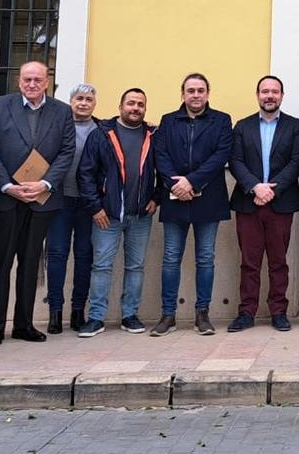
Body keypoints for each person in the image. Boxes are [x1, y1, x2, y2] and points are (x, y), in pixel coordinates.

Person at [0, 61, 76, 346]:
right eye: (26, 79)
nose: (32, 84)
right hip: (5, 198)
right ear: (19, 81)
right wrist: (8, 186)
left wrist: (44, 183)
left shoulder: (61, 111)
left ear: (47, 82)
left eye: (37, 79)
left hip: (41, 198)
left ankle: (24, 324)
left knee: (31, 262)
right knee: (1, 263)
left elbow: (67, 151)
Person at [151, 73, 233, 336]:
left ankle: (202, 313)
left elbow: (220, 155)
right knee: (171, 258)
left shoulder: (221, 120)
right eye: (190, 90)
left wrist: (192, 182)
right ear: (182, 94)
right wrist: (177, 184)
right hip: (174, 196)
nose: (195, 95)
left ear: (208, 93)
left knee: (205, 258)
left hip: (208, 198)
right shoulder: (168, 121)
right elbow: (160, 155)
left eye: (200, 90)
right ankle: (168, 315)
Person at [77, 88, 160, 337]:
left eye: (140, 104)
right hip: (107, 215)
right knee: (101, 266)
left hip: (140, 215)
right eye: (131, 103)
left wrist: (156, 198)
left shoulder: (153, 135)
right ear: (120, 106)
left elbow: (165, 168)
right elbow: (86, 173)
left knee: (136, 267)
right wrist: (95, 207)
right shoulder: (101, 134)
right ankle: (96, 318)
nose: (135, 108)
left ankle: (129, 315)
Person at [227, 76, 299, 333]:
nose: (269, 96)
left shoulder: (295, 126)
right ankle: (246, 312)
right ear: (257, 95)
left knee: (278, 261)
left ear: (282, 95)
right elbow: (236, 161)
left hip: (280, 202)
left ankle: (279, 312)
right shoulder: (242, 126)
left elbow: (297, 162)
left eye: (274, 92)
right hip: (249, 202)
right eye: (264, 91)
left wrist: (272, 188)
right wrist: (255, 187)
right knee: (249, 262)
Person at [44, 83, 98, 335]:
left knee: (85, 256)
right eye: (79, 98)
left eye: (88, 99)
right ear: (70, 101)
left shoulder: (102, 129)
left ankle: (78, 311)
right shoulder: (57, 127)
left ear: (94, 104)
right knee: (56, 255)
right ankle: (55, 311)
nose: (84, 103)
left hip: (88, 204)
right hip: (59, 200)